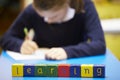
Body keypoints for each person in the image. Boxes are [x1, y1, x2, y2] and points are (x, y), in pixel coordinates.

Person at [0, 0, 106, 60]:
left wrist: (68, 52)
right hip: (41, 64)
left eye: (54, 17)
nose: (48, 21)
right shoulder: (31, 11)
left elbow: (99, 44)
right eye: (42, 17)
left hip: (75, 63)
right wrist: (20, 45)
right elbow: (6, 38)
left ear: (67, 3)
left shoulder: (85, 6)